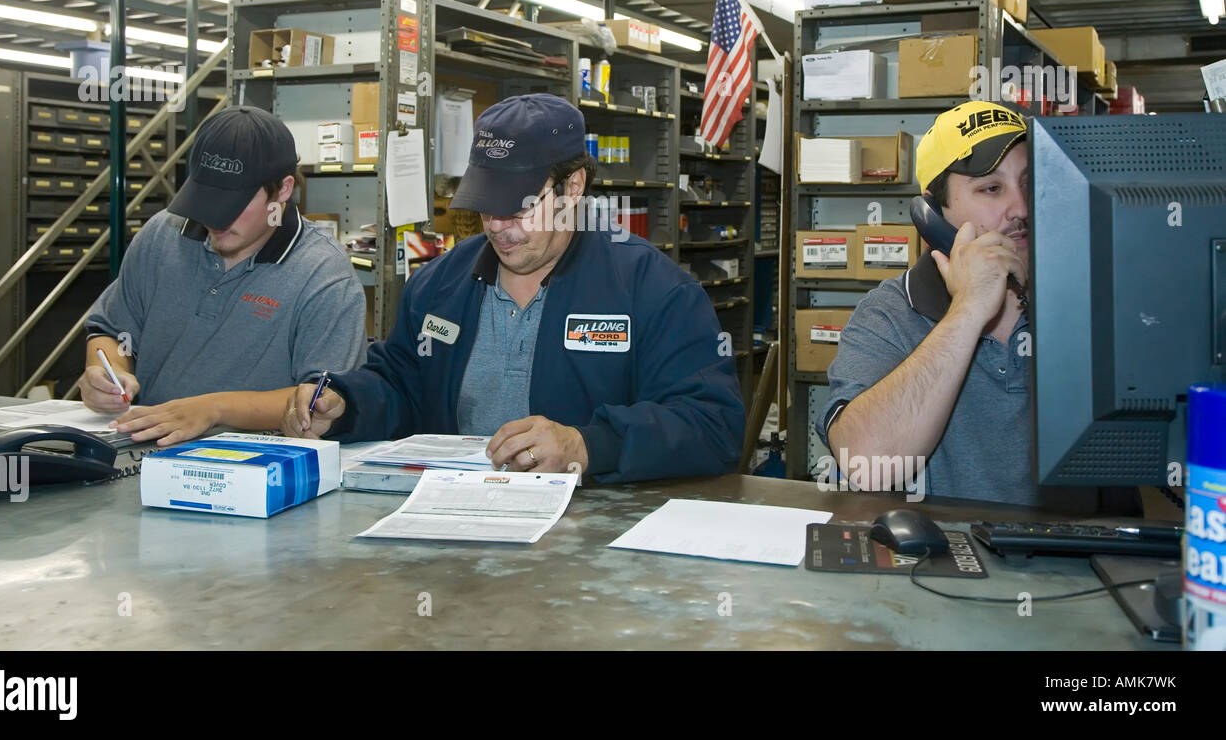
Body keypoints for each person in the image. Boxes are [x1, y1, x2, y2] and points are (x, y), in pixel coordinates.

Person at [280, 93, 745, 482]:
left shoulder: (653, 290)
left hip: (596, 542)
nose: (500, 226)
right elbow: (401, 385)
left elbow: (714, 425)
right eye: (487, 207)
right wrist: (347, 404)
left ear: (574, 186)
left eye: (520, 208)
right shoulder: (438, 286)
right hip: (458, 526)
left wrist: (588, 446)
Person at [817, 100, 1104, 509]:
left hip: (1079, 565)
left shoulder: (1093, 300)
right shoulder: (890, 315)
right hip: (942, 563)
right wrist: (967, 312)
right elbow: (865, 465)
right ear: (932, 213)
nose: (1021, 208)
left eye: (1029, 183)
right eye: (991, 188)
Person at [78, 106, 366, 445]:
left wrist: (214, 409)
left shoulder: (323, 274)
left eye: (232, 203)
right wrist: (109, 373)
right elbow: (110, 329)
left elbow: (321, 399)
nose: (215, 218)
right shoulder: (162, 237)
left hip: (256, 467)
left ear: (283, 190)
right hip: (147, 448)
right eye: (206, 198)